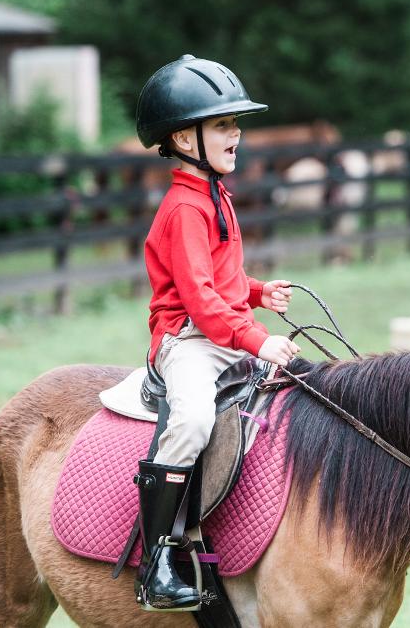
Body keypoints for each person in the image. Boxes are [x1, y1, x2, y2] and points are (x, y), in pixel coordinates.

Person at [133, 54, 300, 611]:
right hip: (187, 342)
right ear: (185, 137)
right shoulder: (184, 207)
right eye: (224, 125)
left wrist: (256, 293)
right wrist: (255, 338)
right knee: (194, 419)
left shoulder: (215, 192)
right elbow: (200, 302)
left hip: (221, 330)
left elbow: (219, 280)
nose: (237, 135)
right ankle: (156, 559)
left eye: (236, 124)